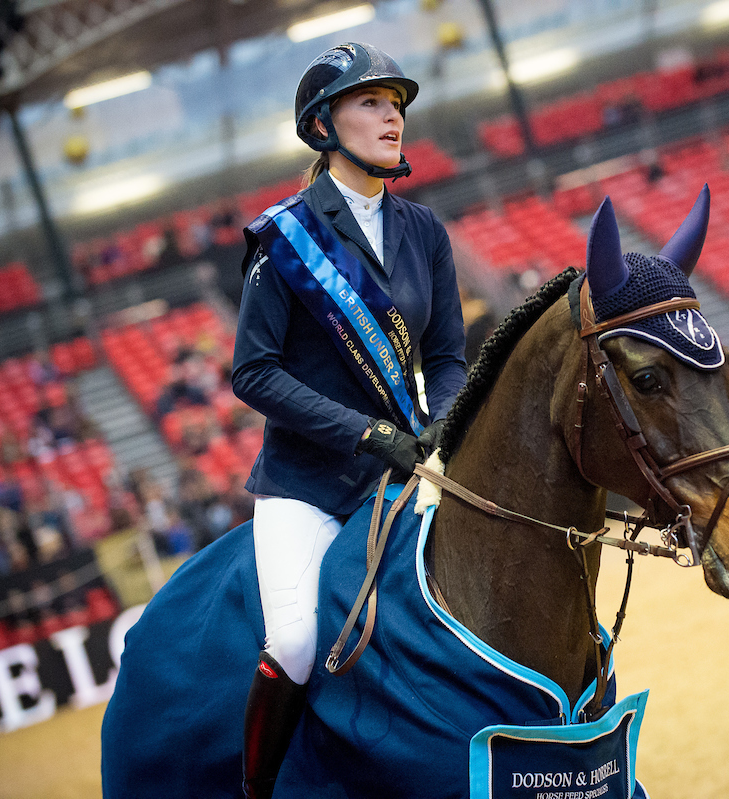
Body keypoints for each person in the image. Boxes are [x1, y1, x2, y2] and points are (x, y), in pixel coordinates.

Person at [230, 42, 467, 799]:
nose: (393, 115)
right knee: (297, 640)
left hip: (404, 475)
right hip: (307, 486)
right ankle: (259, 790)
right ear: (322, 126)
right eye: (371, 102)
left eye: (396, 103)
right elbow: (253, 372)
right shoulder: (284, 238)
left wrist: (444, 419)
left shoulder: (424, 231)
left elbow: (449, 356)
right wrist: (366, 432)